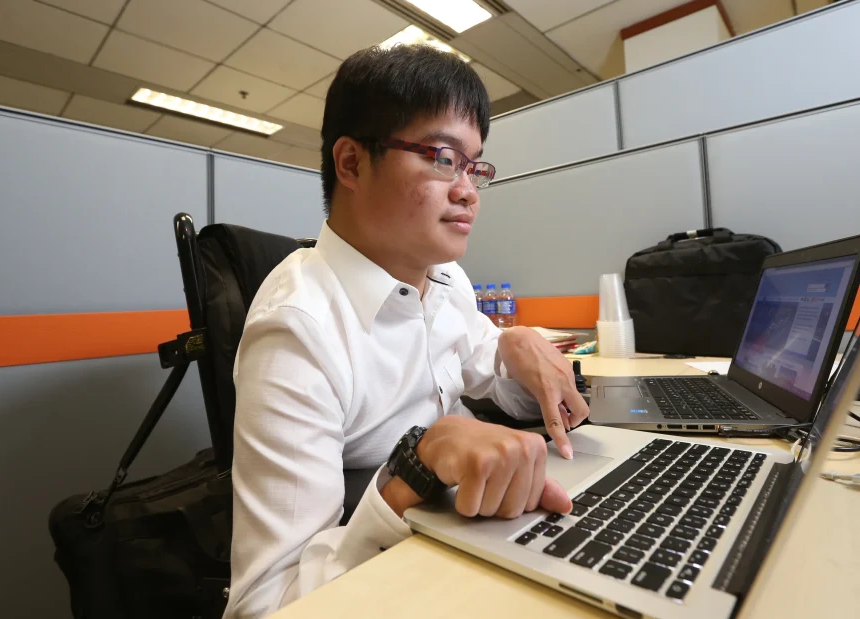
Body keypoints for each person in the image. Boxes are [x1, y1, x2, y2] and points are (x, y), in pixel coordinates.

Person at [223, 44, 590, 618]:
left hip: (471, 530)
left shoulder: (445, 280)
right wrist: (416, 463)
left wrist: (517, 349)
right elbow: (266, 605)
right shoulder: (297, 329)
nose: (467, 190)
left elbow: (487, 370)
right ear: (351, 164)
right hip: (396, 571)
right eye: (443, 157)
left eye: (474, 166)